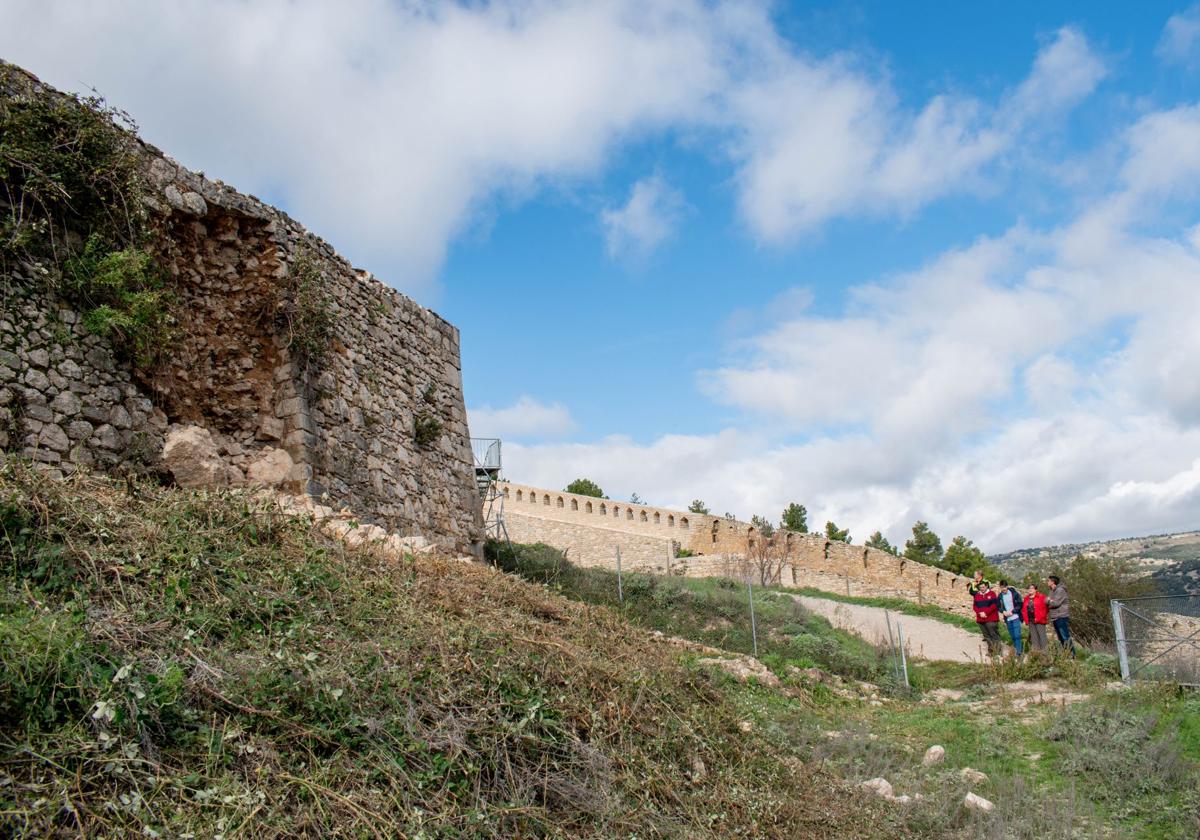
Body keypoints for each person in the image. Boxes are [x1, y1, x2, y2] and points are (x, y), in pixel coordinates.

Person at [1046, 574, 1074, 657]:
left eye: (1048, 581)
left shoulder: (1060, 590)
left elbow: (1055, 603)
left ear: (1053, 582)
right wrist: (1049, 601)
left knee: (1065, 636)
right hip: (1054, 616)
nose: (1047, 582)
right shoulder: (1051, 591)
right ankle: (1065, 654)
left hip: (1061, 616)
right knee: (1060, 638)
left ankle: (1071, 655)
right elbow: (1050, 602)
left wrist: (1049, 601)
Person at [972, 580, 1002, 656]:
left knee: (994, 635)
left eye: (983, 587)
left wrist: (985, 612)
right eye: (980, 587)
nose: (982, 588)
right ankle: (991, 651)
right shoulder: (977, 595)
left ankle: (998, 651)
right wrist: (979, 613)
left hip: (991, 618)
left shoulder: (992, 594)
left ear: (986, 586)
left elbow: (994, 605)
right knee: (987, 636)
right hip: (981, 619)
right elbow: (975, 606)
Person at [997, 579, 1023, 655]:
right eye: (1001, 587)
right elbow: (998, 606)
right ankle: (1017, 650)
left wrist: (1013, 611)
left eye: (1004, 587)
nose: (1003, 589)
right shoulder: (1000, 596)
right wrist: (1003, 611)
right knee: (1013, 636)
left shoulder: (1014, 594)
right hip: (1007, 619)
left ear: (1007, 586)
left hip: (1015, 617)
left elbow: (1020, 604)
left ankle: (1019, 653)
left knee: (1017, 635)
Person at [1022, 583, 1049, 652]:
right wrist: (1026, 619)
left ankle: (1045, 654)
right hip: (1030, 621)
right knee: (1034, 638)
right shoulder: (1026, 598)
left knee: (1042, 638)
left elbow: (1046, 609)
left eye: (1032, 588)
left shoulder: (1041, 597)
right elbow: (1024, 610)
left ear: (1035, 589)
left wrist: (1040, 617)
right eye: (1029, 588)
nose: (1030, 589)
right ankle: (1037, 654)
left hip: (1040, 621)